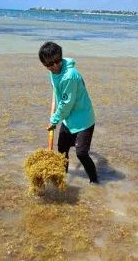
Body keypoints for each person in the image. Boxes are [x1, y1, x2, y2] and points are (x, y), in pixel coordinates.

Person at [39, 41, 99, 184]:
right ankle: (62, 179)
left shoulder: (69, 75)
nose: (54, 66)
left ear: (61, 57)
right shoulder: (54, 73)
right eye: (49, 64)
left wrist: (54, 120)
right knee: (62, 151)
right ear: (44, 65)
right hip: (69, 119)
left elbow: (66, 104)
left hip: (83, 120)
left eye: (57, 61)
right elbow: (57, 89)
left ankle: (95, 182)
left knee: (82, 153)